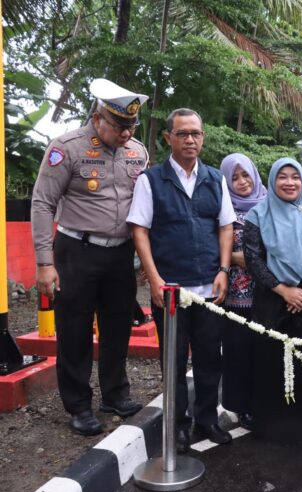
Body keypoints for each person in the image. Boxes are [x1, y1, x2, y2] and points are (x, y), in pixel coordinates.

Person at [31, 78, 148, 435]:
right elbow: (42, 202)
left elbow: (143, 207)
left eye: (131, 126)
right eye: (119, 126)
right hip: (76, 252)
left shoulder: (138, 152)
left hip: (120, 256)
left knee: (117, 328)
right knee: (75, 330)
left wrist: (145, 257)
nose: (126, 133)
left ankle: (115, 394)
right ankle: (78, 405)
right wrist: (44, 262)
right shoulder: (66, 148)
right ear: (98, 118)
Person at [128, 108, 235, 452]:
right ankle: (179, 424)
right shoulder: (151, 180)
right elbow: (139, 230)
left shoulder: (214, 178)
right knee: (172, 362)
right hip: (170, 290)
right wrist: (155, 280)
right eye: (183, 133)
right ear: (168, 138)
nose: (190, 139)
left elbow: (225, 226)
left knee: (209, 358)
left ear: (203, 137)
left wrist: (223, 271)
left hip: (208, 287)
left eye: (196, 134)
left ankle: (207, 419)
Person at [243, 157, 302, 441]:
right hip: (273, 302)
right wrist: (284, 290)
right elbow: (253, 259)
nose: (289, 182)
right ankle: (272, 423)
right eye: (282, 177)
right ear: (272, 181)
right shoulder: (257, 215)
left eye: (295, 177)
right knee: (271, 363)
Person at [219, 153, 267, 430]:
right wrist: (237, 260)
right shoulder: (223, 209)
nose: (241, 182)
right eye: (234, 177)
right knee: (238, 351)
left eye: (245, 175)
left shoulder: (271, 204)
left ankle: (264, 402)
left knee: (264, 351)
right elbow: (215, 244)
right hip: (236, 294)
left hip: (269, 294)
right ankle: (242, 406)